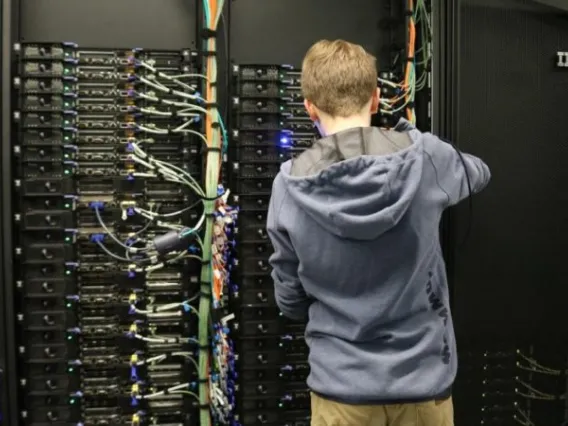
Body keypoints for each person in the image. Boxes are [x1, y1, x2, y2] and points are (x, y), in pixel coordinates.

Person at [266, 39, 491, 426]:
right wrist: (410, 134)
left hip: (340, 392)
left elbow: (289, 299)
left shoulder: (287, 188)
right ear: (375, 99)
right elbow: (479, 172)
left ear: (309, 107)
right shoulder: (424, 159)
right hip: (423, 388)